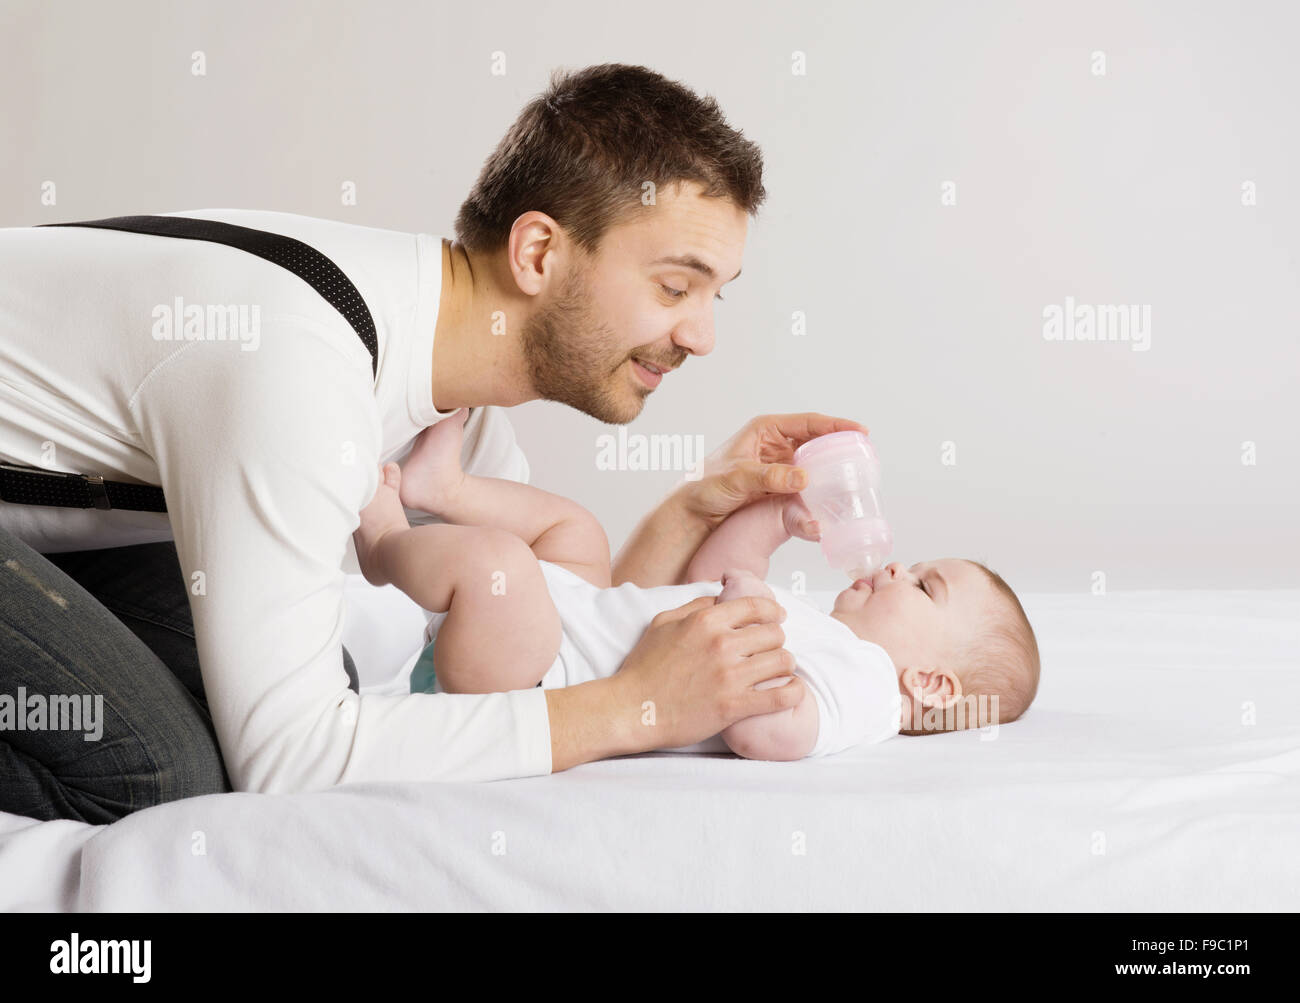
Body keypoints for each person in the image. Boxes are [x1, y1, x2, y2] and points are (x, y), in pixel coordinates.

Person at [0, 63, 865, 822]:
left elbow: (568, 621)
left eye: (719, 295)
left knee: (297, 679)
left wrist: (702, 500)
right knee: (157, 770)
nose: (704, 335)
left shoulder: (449, 386)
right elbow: (292, 760)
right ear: (537, 253)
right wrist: (626, 709)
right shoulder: (298, 366)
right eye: (677, 284)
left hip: (48, 522)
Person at [352, 409, 1041, 760]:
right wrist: (773, 521)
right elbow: (702, 580)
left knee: (499, 566)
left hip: (533, 682)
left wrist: (749, 609)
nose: (898, 568)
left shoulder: (866, 691)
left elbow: (769, 731)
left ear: (932, 686)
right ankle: (442, 487)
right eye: (915, 565)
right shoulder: (829, 632)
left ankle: (384, 545)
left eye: (923, 588)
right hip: (573, 623)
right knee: (578, 531)